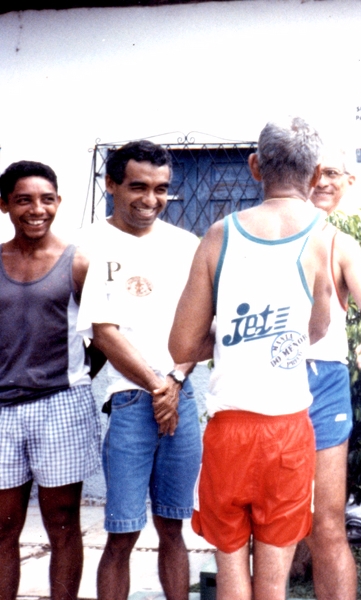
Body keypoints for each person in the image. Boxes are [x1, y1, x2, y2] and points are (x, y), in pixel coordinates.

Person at [169, 116, 331, 600]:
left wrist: (224, 338)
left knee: (231, 561)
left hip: (230, 429)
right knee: (274, 575)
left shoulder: (219, 235)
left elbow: (180, 346)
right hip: (287, 428)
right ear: (317, 174)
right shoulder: (325, 237)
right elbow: (318, 330)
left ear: (255, 166)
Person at [77, 141, 202, 600]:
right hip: (131, 401)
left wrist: (175, 381)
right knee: (123, 532)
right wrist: (155, 385)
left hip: (181, 399)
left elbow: (202, 328)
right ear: (111, 185)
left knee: (173, 527)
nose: (150, 199)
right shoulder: (91, 243)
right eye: (138, 187)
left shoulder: (187, 246)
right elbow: (104, 333)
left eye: (161, 189)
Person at [0, 161, 100, 600]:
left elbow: (103, 337)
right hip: (2, 411)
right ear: (4, 204)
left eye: (46, 199)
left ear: (58, 202)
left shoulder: (78, 262)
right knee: (3, 528)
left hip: (60, 404)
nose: (36, 209)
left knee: (62, 525)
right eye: (23, 199)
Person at [305, 148, 361, 599]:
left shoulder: (343, 244)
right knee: (269, 520)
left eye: (333, 173)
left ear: (350, 181)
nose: (323, 181)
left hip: (325, 380)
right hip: (268, 379)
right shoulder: (255, 230)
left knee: (329, 521)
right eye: (316, 172)